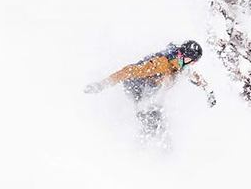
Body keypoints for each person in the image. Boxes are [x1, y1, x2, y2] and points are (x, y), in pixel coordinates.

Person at [85, 40, 216, 137]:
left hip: (152, 90)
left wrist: (209, 92)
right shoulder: (160, 63)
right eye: (191, 60)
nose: (192, 63)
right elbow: (129, 71)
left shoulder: (182, 65)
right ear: (183, 55)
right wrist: (101, 85)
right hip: (136, 88)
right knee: (150, 119)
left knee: (158, 116)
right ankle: (142, 144)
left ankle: (155, 143)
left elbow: (196, 76)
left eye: (194, 62)